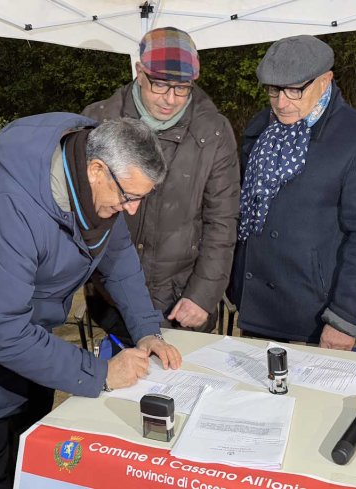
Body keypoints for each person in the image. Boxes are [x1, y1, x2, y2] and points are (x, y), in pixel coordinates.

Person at [0, 113, 183, 488]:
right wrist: (101, 373)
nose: (132, 209)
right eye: (129, 197)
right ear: (95, 169)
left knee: (31, 457)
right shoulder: (5, 202)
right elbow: (5, 332)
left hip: (30, 341)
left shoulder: (98, 191)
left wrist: (147, 331)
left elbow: (120, 261)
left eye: (140, 198)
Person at [229, 35, 356, 349]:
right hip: (257, 305)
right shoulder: (260, 126)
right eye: (274, 90)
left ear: (325, 81)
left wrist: (344, 319)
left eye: (294, 89)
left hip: (315, 314)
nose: (281, 102)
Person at [83, 26, 240, 337]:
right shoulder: (97, 120)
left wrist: (203, 295)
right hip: (110, 296)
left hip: (181, 302)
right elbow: (83, 213)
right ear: (140, 72)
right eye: (160, 85)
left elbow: (222, 219)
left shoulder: (215, 133)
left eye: (182, 89)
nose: (171, 99)